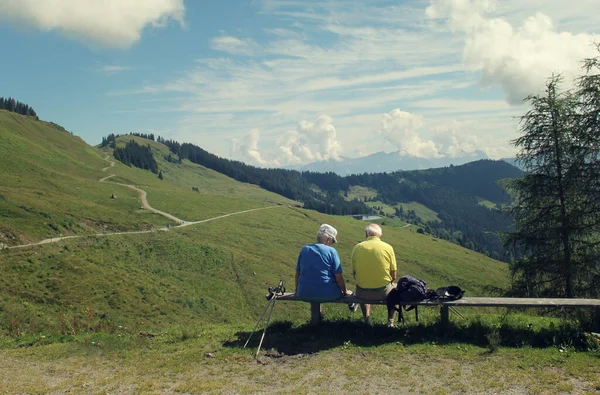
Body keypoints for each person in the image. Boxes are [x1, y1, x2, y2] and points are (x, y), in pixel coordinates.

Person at [295, 224, 354, 306]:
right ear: (328, 239)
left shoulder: (305, 249)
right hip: (327, 293)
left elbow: (298, 273)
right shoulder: (331, 251)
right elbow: (339, 278)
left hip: (303, 293)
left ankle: (317, 317)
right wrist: (345, 291)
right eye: (333, 241)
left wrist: (297, 290)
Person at [352, 223, 397, 327]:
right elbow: (393, 275)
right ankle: (390, 321)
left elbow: (354, 274)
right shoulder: (388, 247)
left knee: (363, 285)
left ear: (366, 234)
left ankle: (367, 320)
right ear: (380, 235)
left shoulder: (357, 247)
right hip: (383, 293)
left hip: (362, 293)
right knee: (395, 290)